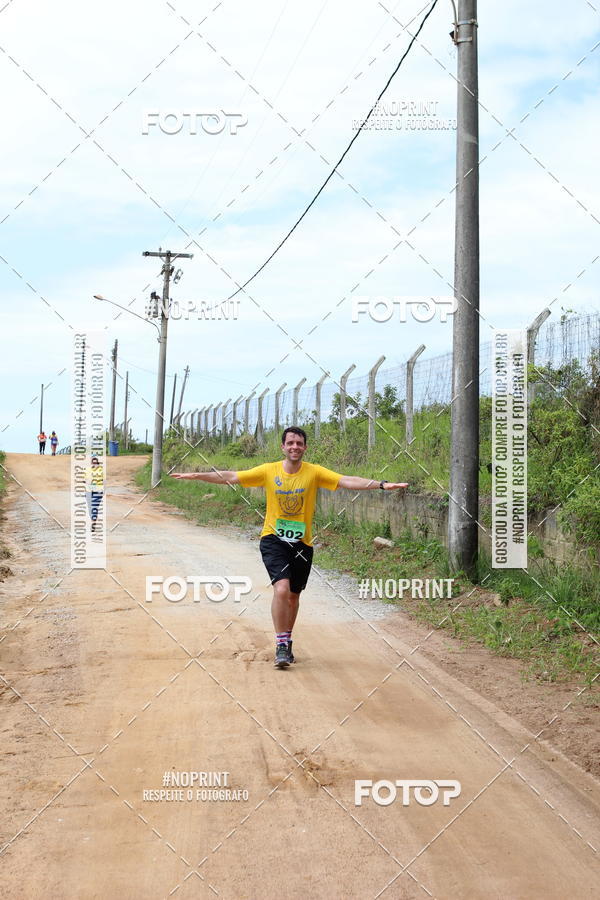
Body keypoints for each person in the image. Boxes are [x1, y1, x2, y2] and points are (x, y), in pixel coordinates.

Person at [171, 426, 408, 669]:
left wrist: (380, 484)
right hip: (274, 539)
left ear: (305, 447)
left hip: (302, 543)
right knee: (281, 590)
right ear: (283, 447)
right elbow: (231, 476)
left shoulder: (314, 472)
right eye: (290, 443)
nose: (295, 447)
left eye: (299, 443)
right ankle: (281, 644)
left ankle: (287, 638)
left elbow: (346, 480)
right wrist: (198, 476)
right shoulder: (268, 471)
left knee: (294, 596)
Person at [86, 456, 104, 531]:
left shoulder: (100, 470)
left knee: (94, 506)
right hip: (89, 491)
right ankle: (94, 520)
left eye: (95, 463)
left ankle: (93, 522)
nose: (94, 464)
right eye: (93, 462)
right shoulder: (88, 470)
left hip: (97, 491)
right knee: (91, 507)